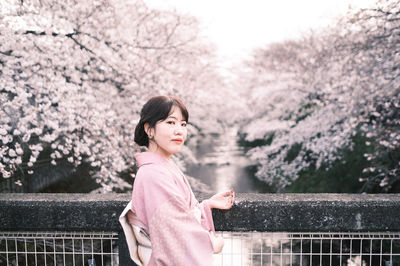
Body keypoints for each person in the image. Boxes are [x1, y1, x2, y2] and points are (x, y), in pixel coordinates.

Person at [128, 95, 235, 265]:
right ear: (149, 129)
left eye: (183, 124)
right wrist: (210, 243)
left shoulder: (162, 168)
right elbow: (174, 230)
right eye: (171, 122)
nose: (179, 130)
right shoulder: (153, 175)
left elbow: (176, 216)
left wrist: (206, 206)